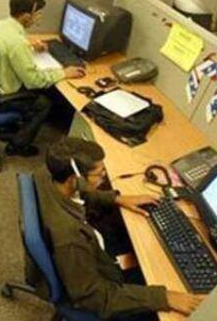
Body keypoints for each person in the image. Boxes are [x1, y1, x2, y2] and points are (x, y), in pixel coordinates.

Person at [31, 137, 204, 320]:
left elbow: (80, 196)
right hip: (94, 287)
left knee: (129, 235)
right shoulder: (69, 237)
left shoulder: (50, 174)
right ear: (75, 179)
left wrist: (116, 198)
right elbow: (93, 297)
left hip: (91, 251)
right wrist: (165, 297)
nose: (104, 177)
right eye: (99, 174)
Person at [0, 0, 85, 157]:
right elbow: (33, 81)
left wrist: (30, 47)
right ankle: (18, 145)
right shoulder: (17, 43)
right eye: (37, 14)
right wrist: (63, 73)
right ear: (26, 16)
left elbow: (6, 50)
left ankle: (12, 127)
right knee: (44, 103)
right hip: (4, 95)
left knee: (47, 89)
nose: (38, 17)